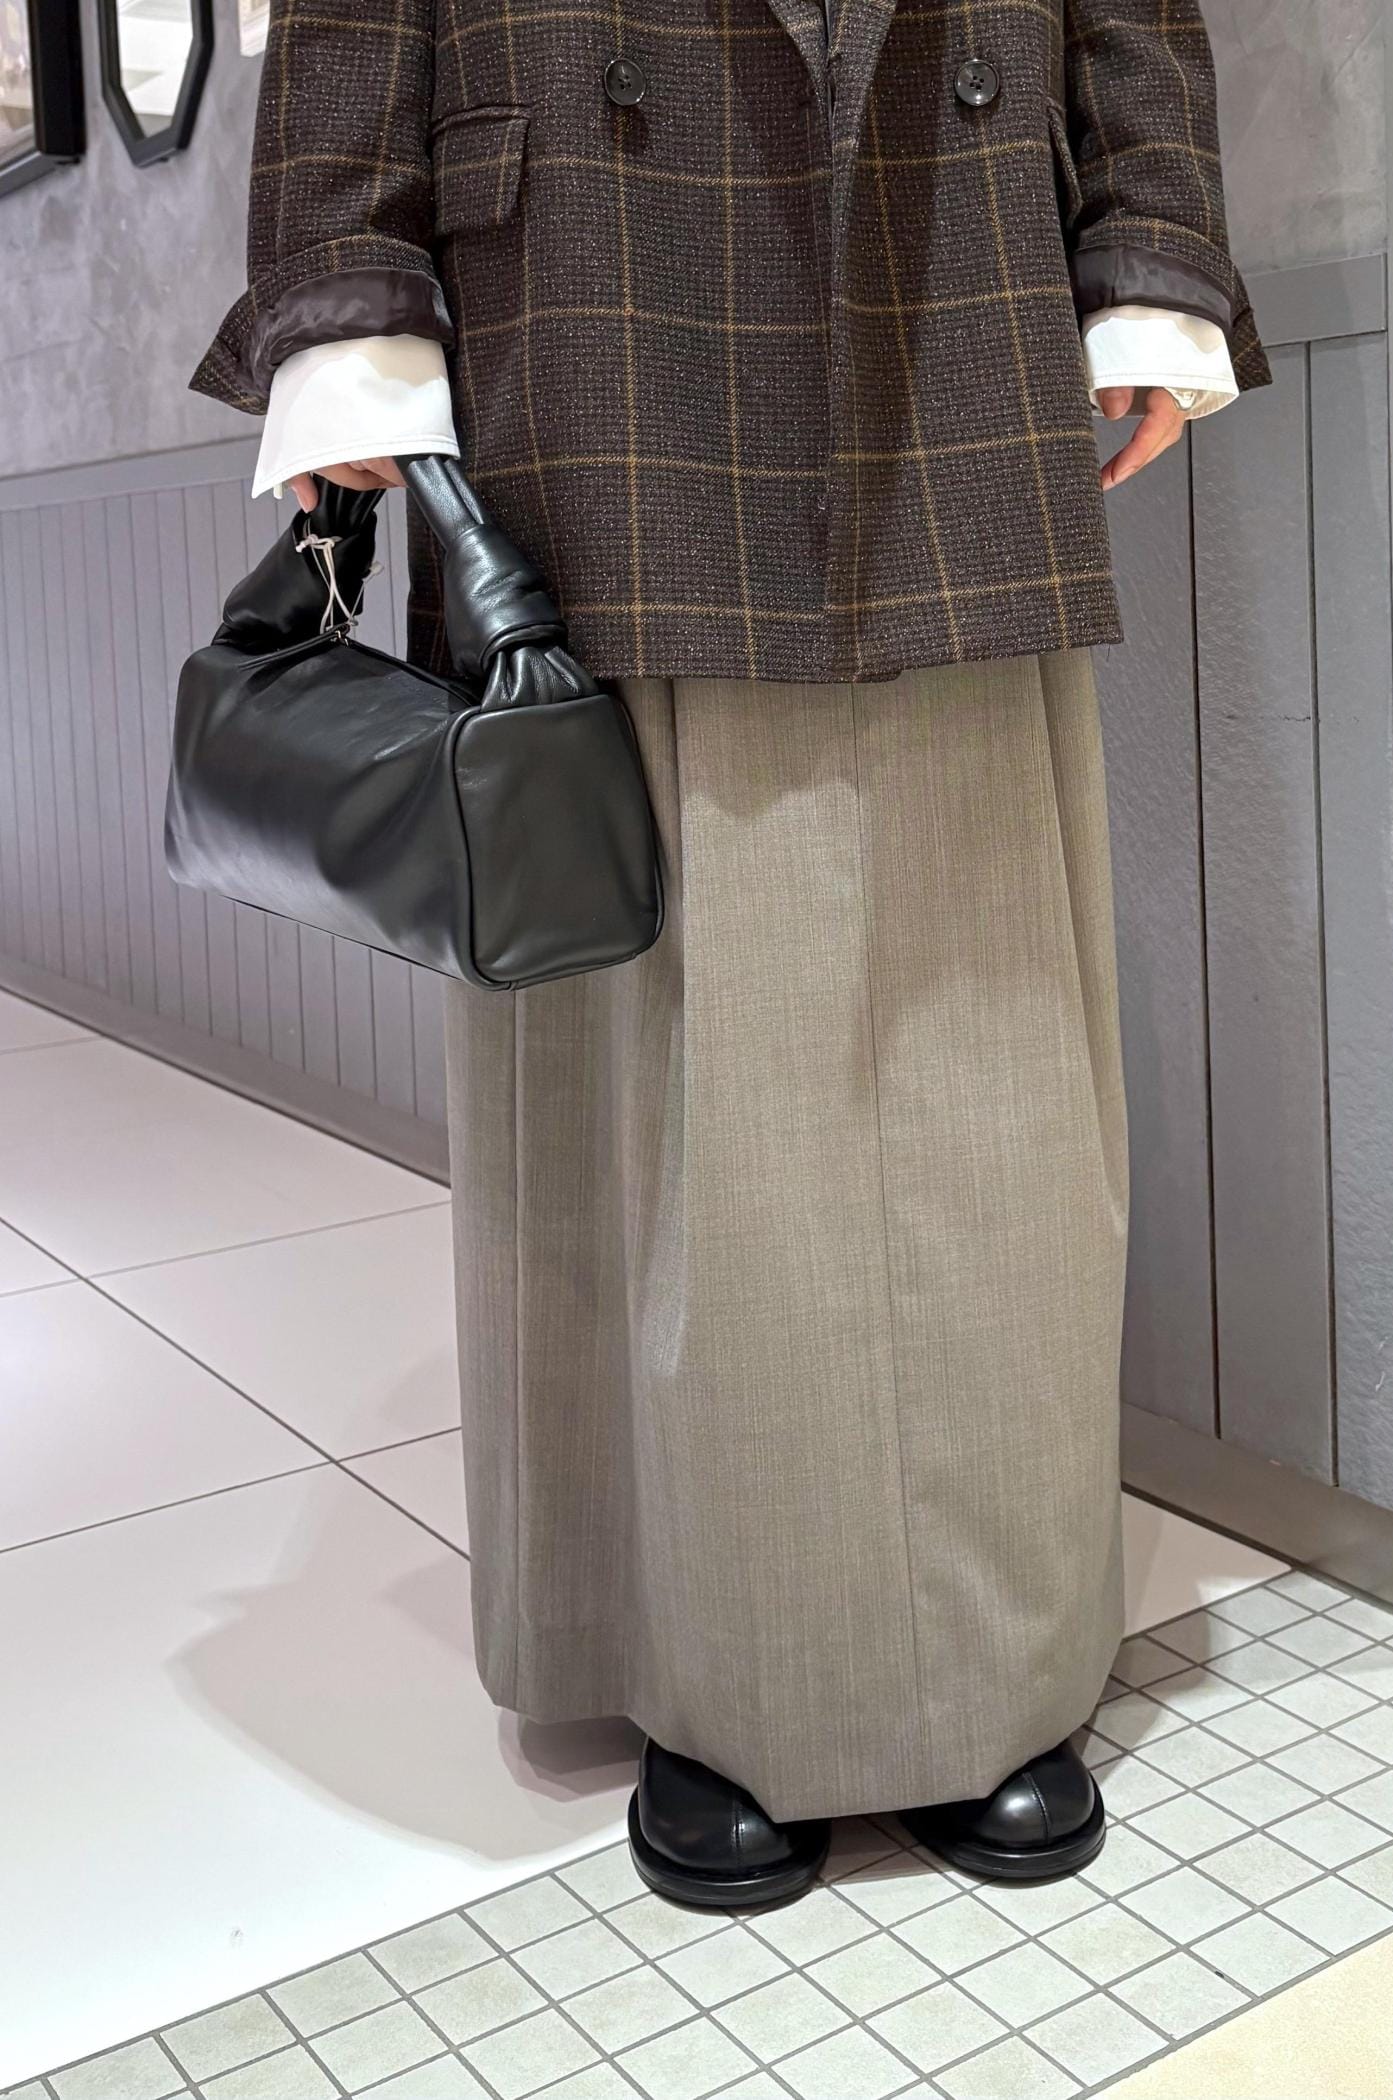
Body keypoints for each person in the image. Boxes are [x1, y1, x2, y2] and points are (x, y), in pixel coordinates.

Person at [193, 0, 1267, 1909]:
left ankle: (989, 1664)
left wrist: (1151, 253)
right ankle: (682, 1657)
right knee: (648, 1075)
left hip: (952, 264)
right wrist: (346, 309)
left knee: (981, 1059)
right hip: (593, 305)